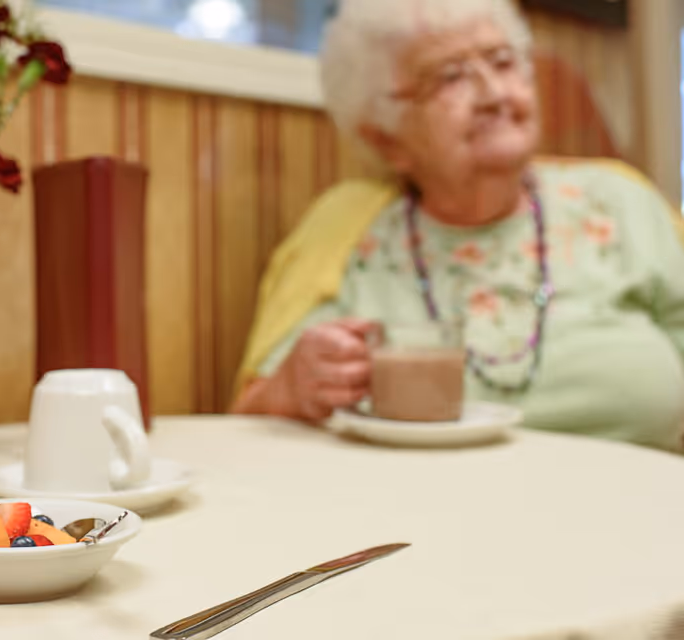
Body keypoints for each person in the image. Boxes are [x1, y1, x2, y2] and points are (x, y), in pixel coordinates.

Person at [232, 0, 684, 451]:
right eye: (449, 76)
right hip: (413, 515)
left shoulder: (621, 202)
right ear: (386, 139)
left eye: (504, 62)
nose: (493, 93)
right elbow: (250, 415)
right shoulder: (346, 229)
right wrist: (290, 388)